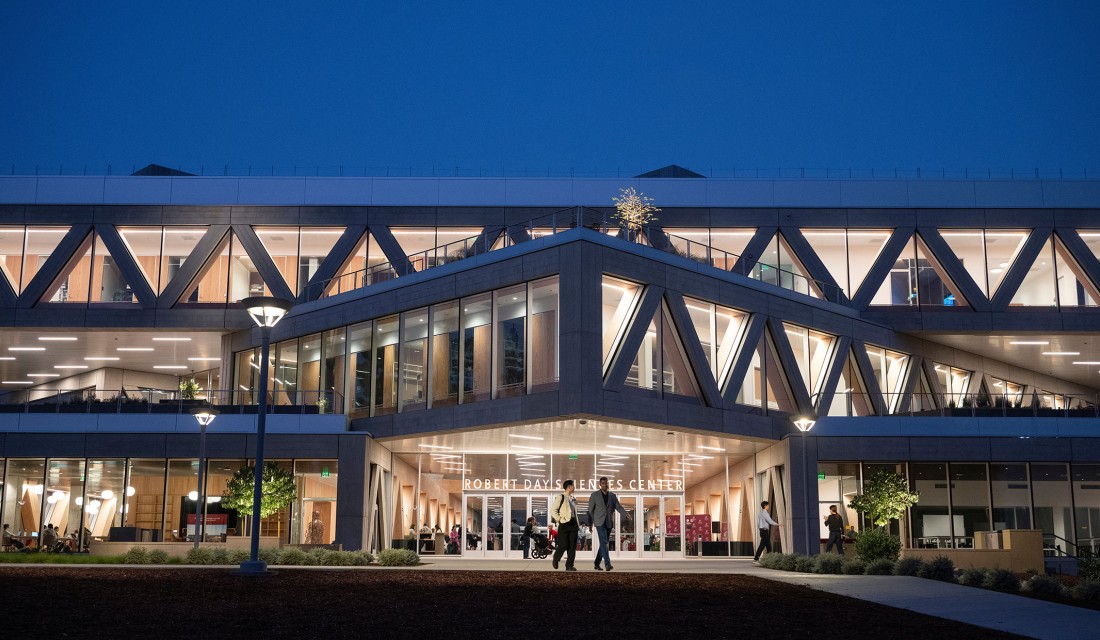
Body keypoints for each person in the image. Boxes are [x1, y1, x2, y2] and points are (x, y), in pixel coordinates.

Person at [588, 476, 631, 571]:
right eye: (603, 483)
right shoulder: (594, 495)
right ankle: (607, 564)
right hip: (599, 522)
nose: (605, 485)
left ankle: (596, 563)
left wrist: (625, 514)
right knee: (604, 542)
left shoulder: (612, 496)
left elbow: (618, 507)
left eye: (606, 483)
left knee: (604, 543)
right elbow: (590, 511)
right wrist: (590, 524)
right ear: (600, 484)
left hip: (608, 523)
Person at [551, 479, 579, 571]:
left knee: (572, 546)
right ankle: (556, 558)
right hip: (564, 524)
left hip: (573, 523)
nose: (574, 487)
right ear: (569, 487)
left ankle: (569, 566)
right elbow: (553, 511)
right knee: (563, 544)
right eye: (573, 486)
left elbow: (574, 512)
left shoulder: (573, 499)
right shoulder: (561, 497)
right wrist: (559, 519)